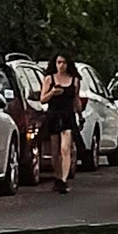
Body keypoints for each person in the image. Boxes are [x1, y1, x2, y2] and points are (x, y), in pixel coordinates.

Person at [38, 56, 81, 192]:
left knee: (65, 149)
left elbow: (76, 99)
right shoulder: (49, 79)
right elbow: (42, 100)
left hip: (68, 115)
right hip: (53, 115)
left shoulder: (74, 80)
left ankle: (63, 179)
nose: (61, 65)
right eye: (58, 62)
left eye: (64, 62)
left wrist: (80, 115)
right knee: (55, 150)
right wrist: (52, 93)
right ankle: (57, 177)